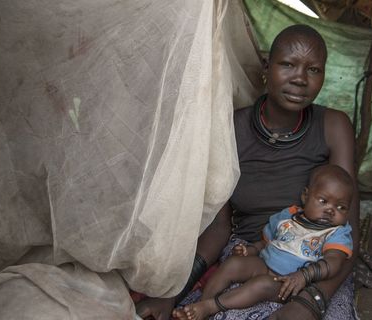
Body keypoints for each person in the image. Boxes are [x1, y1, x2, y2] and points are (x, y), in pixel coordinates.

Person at [136, 24, 359, 320]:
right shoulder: (232, 128)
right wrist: (170, 294)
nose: (300, 79)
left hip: (319, 262)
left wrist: (311, 301)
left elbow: (348, 231)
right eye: (288, 64)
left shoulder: (333, 126)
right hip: (251, 257)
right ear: (267, 67)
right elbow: (218, 227)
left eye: (314, 70)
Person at [173, 165, 354, 320]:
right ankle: (201, 304)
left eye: (341, 207)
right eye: (323, 201)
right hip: (264, 264)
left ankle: (213, 306)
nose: (330, 210)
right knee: (233, 264)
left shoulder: (337, 232)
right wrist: (250, 250)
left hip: (288, 283)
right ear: (306, 196)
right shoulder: (288, 215)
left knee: (261, 285)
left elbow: (334, 262)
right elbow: (266, 242)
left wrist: (303, 276)